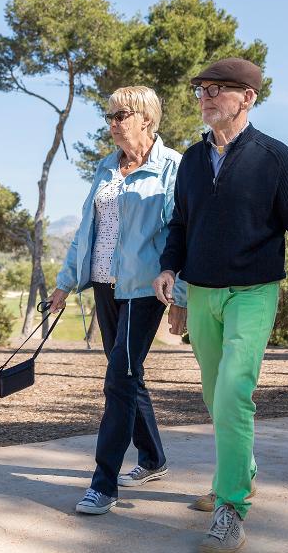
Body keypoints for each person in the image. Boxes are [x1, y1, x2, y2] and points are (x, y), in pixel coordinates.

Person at [153, 58, 288, 552]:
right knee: (215, 398)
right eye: (201, 90)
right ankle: (242, 471)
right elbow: (180, 227)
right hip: (203, 295)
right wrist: (172, 274)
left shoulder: (273, 158)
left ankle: (230, 506)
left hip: (254, 293)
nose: (206, 97)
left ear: (248, 98)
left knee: (234, 393)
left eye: (218, 89)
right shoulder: (193, 161)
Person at [49, 86, 188, 515]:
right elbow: (86, 231)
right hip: (105, 286)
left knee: (118, 380)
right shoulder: (107, 167)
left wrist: (179, 295)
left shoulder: (173, 168)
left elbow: (183, 234)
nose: (111, 124)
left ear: (146, 118)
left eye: (119, 116)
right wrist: (64, 283)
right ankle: (153, 458)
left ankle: (103, 484)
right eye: (108, 116)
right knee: (127, 376)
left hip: (147, 288)